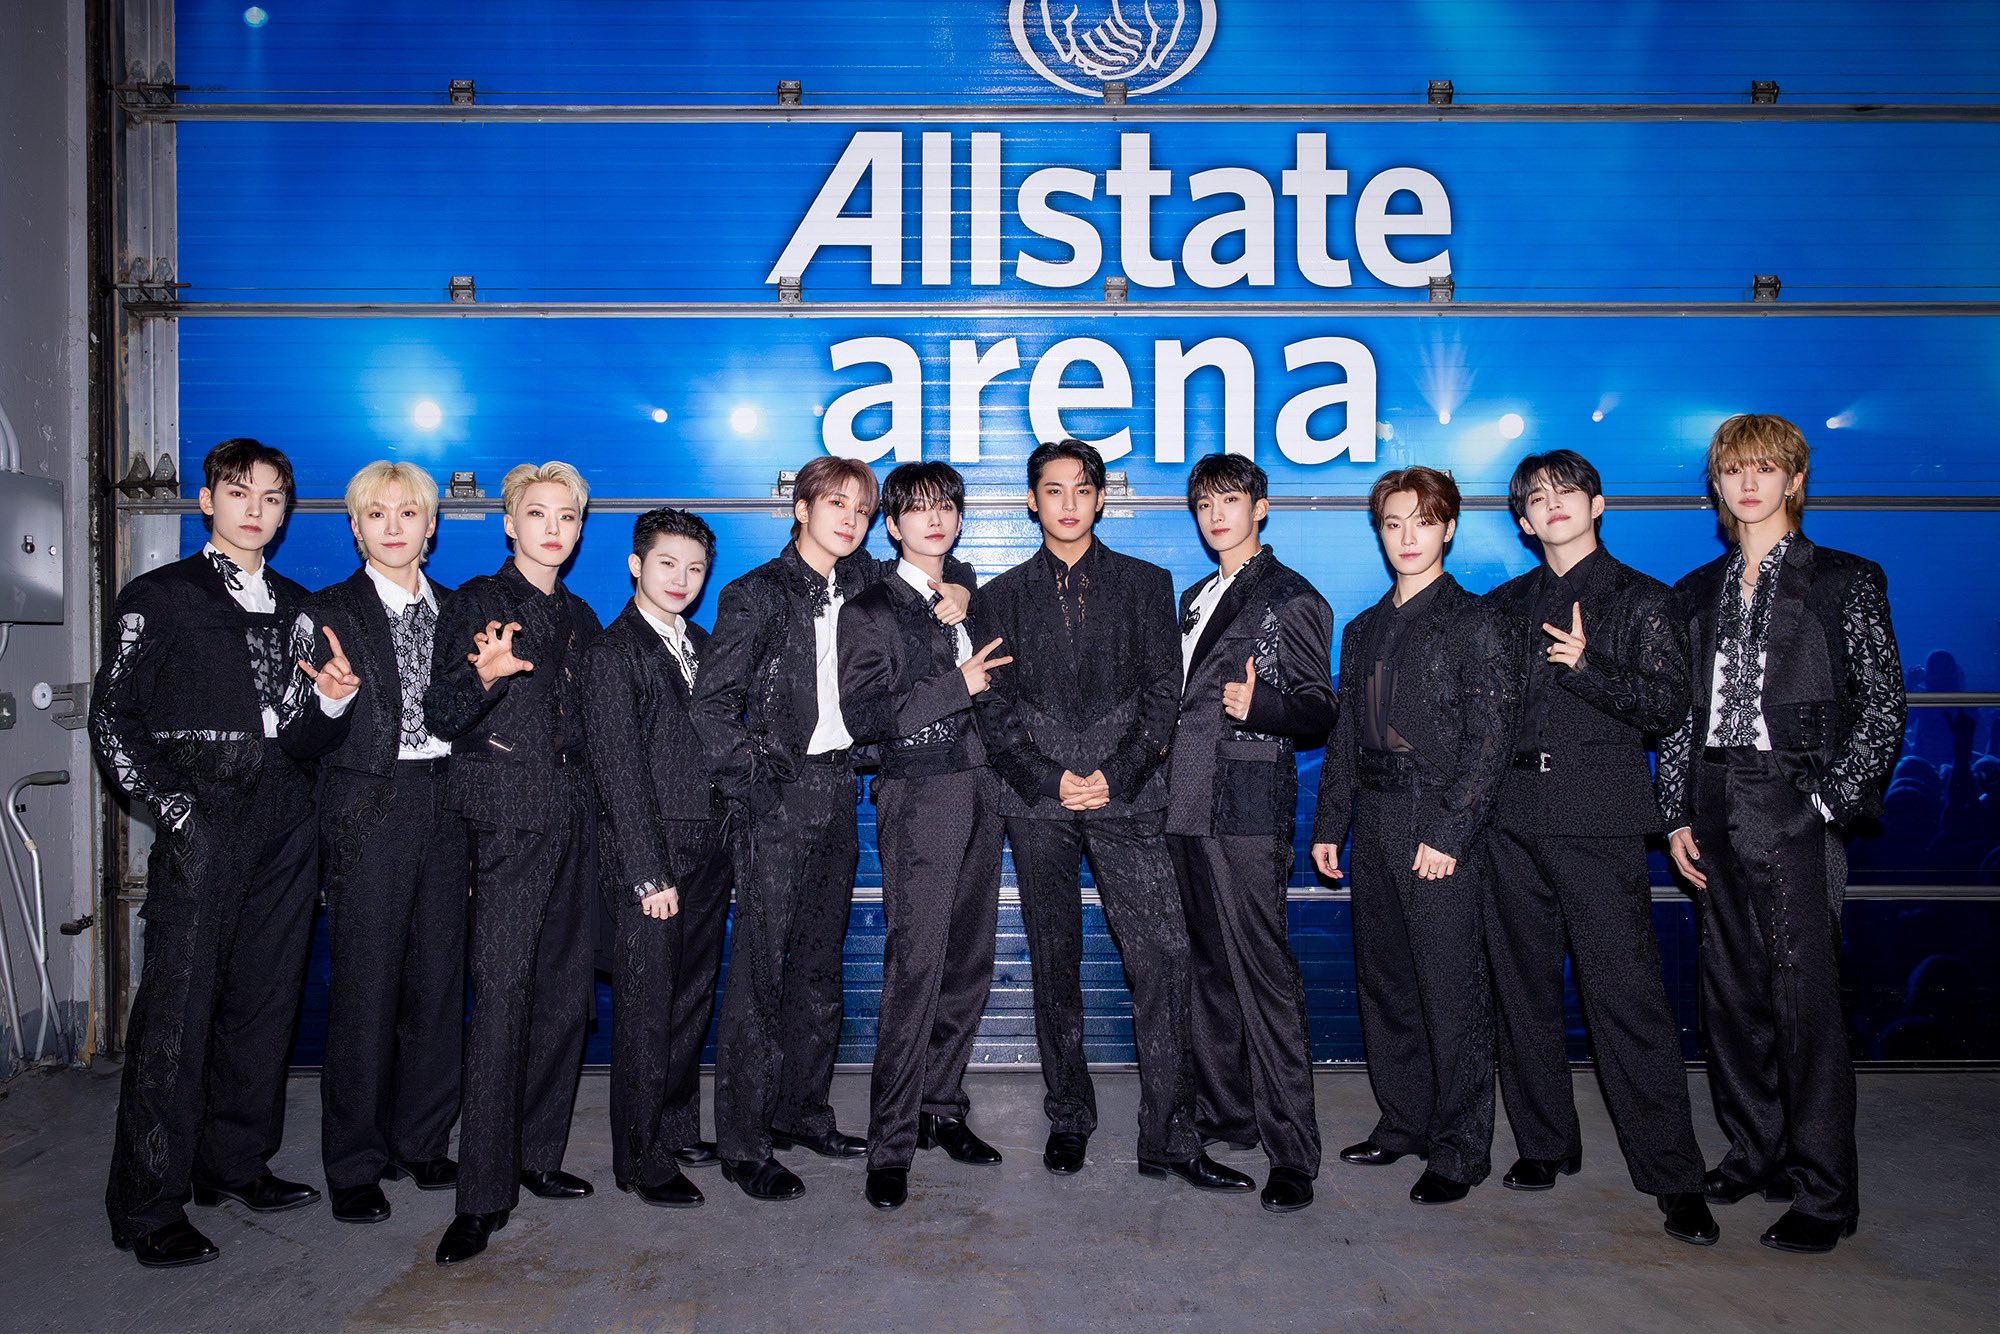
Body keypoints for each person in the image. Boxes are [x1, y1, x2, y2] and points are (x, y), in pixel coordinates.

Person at [691, 456, 972, 1202]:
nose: (849, 519)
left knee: (819, 967)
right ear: (801, 508)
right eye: (835, 504)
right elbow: (710, 709)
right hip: (777, 797)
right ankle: (745, 1145)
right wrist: (758, 780)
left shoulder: (864, 580)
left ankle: (804, 1112)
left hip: (842, 787)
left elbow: (938, 559)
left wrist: (959, 589)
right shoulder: (755, 593)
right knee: (759, 975)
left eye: (861, 509)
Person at [1657, 414, 1906, 1254]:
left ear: (1795, 480)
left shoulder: (1844, 579)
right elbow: (1683, 716)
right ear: (1717, 485)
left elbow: (1883, 707)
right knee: (1730, 997)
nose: (1750, 483)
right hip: (1714, 799)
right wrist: (1675, 811)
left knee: (1806, 1005)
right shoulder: (1697, 589)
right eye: (1736, 470)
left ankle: (1826, 1193)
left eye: (1766, 468)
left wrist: (1825, 806)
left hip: (1796, 800)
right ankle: (1754, 1151)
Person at [973, 439, 1245, 1193]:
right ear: (1032, 501)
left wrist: (1113, 775)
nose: (1068, 503)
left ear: (1101, 498)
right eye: (1052, 489)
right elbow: (993, 709)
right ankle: (1069, 1115)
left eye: (1081, 489)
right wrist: (1051, 779)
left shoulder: (1146, 584)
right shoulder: (998, 596)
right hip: (1038, 802)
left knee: (1162, 957)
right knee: (1054, 958)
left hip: (1130, 796)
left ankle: (1170, 1137)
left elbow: (1164, 695)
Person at [91, 438, 321, 1268]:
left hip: (287, 824)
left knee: (265, 1004)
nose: (255, 509)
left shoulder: (299, 606)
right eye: (238, 492)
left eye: (272, 496)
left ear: (286, 511)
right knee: (177, 1014)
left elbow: (306, 727)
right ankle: (148, 1204)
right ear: (207, 501)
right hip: (206, 821)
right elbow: (111, 718)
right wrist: (176, 810)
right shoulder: (160, 597)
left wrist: (330, 708)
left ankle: (234, 1165)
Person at [1482, 450, 1717, 1246]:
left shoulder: (1644, 599)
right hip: (1510, 814)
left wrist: (1588, 667)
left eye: (1566, 492)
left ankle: (1675, 1176)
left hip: (1598, 816)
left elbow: (1669, 708)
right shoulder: (1505, 606)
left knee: (1627, 997)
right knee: (1523, 992)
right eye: (1535, 498)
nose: (1552, 505)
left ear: (1598, 503)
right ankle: (1545, 1145)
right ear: (1522, 521)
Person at [1309, 465, 1513, 1206]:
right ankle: (1403, 1122)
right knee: (1387, 982)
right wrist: (1331, 824)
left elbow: (1491, 738)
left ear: (1448, 528)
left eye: (1422, 522)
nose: (1407, 537)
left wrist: (1451, 832)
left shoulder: (1477, 621)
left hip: (1438, 822)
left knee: (1452, 991)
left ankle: (1459, 1149)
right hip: (1376, 820)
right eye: (1393, 523)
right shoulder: (1362, 628)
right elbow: (1345, 737)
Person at [423, 461, 603, 1265]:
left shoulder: (583, 616)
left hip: (574, 822)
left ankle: (537, 1155)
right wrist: (483, 676)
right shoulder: (477, 602)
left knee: (564, 998)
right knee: (501, 1000)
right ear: (509, 522)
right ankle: (481, 1196)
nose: (553, 528)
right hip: (502, 824)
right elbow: (440, 712)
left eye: (567, 516)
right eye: (538, 514)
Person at [280, 461, 466, 1226]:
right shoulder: (326, 613)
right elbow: (296, 737)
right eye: (377, 514)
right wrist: (327, 704)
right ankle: (354, 1164)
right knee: (366, 990)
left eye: (409, 512)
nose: (394, 526)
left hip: (447, 809)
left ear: (432, 526)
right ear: (355, 528)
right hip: (368, 814)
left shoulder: (459, 610)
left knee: (439, 984)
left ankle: (421, 1142)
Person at [836, 461, 1009, 1210]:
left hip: (984, 791)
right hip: (918, 798)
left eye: (946, 507)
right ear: (893, 524)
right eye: (917, 508)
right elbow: (865, 717)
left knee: (968, 965)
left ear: (960, 519)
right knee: (915, 970)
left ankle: (942, 1108)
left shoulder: (969, 591)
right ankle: (891, 1144)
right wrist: (954, 686)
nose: (934, 520)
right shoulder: (869, 608)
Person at [1165, 454, 1335, 1214]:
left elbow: (1319, 707)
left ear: (1260, 508)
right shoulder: (1196, 596)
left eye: (1230, 501)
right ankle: (1227, 1113)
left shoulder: (1291, 597)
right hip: (1185, 805)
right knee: (1207, 971)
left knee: (1264, 974)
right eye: (1205, 504)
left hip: (1247, 807)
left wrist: (1261, 705)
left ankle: (1292, 1151)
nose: (1216, 516)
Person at [581, 507, 731, 1210]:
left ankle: (675, 1128)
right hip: (653, 857)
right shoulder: (613, 653)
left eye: (695, 568)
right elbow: (618, 771)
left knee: (691, 997)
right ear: (636, 565)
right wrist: (648, 873)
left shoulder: (700, 642)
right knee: (646, 1010)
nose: (681, 579)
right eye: (667, 563)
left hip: (708, 848)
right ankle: (640, 1160)